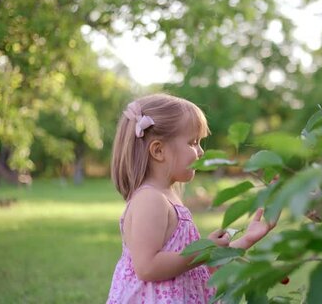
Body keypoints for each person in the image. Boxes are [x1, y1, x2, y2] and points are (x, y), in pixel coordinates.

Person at [107, 93, 276, 304]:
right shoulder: (150, 199)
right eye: (193, 142)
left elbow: (196, 268)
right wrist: (204, 250)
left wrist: (247, 239)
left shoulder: (168, 198)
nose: (201, 151)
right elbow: (147, 267)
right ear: (159, 150)